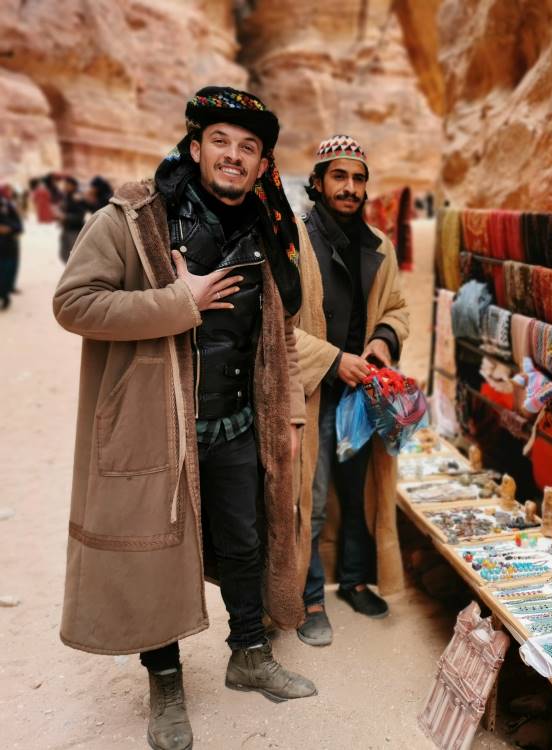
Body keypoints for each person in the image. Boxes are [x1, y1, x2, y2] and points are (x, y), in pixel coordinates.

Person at [53, 86, 316, 750]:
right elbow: (74, 302)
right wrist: (180, 300)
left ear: (261, 164)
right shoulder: (136, 218)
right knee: (157, 554)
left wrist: (286, 411)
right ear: (194, 147)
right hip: (156, 425)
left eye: (249, 147)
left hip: (234, 424)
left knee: (245, 542)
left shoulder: (268, 229)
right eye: (221, 141)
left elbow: (280, 329)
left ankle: (249, 655)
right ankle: (166, 682)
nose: (234, 156)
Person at [292, 134, 409, 646]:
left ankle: (355, 580)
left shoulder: (378, 245)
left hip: (360, 393)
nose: (350, 187)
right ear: (317, 183)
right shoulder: (292, 241)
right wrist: (332, 360)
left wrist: (382, 343)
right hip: (311, 388)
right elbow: (274, 325)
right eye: (339, 177)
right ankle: (308, 596)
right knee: (310, 498)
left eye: (358, 178)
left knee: (359, 490)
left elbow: (397, 311)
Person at [57, 176, 90, 263]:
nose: (65, 186)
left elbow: (80, 216)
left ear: (73, 186)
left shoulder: (78, 197)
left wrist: (65, 217)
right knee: (64, 254)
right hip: (66, 229)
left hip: (75, 231)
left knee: (75, 255)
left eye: (67, 184)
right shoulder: (66, 196)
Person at [0, 183, 22, 309]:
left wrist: (8, 229)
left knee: (8, 272)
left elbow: (19, 227)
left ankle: (5, 295)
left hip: (9, 246)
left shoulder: (10, 207)